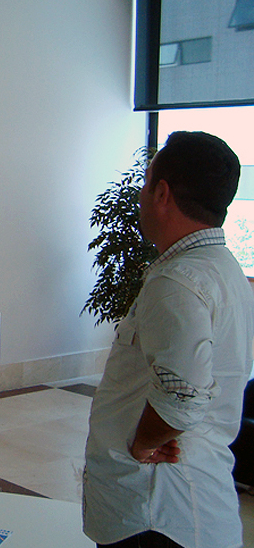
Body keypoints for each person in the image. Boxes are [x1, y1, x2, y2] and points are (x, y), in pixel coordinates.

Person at [83, 131, 254, 548]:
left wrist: (143, 443)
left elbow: (183, 397)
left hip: (158, 511)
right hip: (186, 501)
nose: (140, 197)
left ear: (161, 193)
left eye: (145, 185)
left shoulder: (178, 281)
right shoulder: (223, 269)